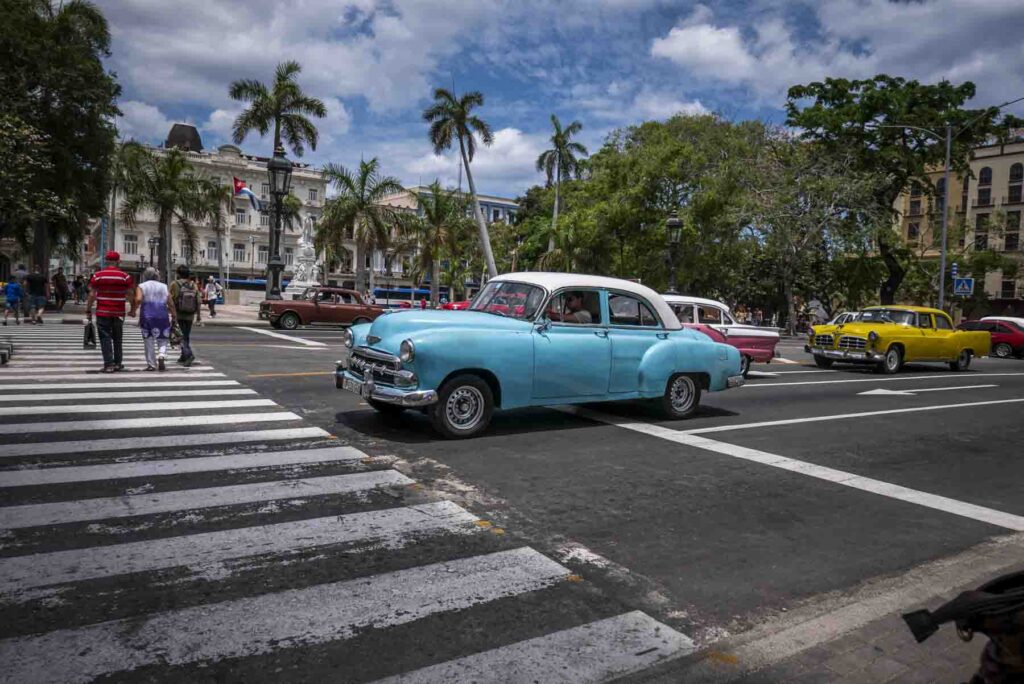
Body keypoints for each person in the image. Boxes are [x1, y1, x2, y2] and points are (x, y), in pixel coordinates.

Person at [86, 251, 136, 372]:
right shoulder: (125, 276)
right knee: (118, 338)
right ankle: (118, 363)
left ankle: (108, 364)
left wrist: (88, 309)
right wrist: (133, 309)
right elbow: (130, 294)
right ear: (118, 261)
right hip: (118, 313)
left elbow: (92, 294)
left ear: (106, 261)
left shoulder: (98, 276)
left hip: (103, 311)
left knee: (105, 337)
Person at [135, 268, 175, 371]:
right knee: (163, 338)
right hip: (162, 315)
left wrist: (133, 310)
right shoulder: (164, 286)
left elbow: (138, 299)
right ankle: (161, 355)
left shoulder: (141, 286)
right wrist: (174, 315)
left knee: (148, 340)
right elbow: (170, 302)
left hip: (147, 315)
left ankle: (151, 365)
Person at [169, 264, 201, 366]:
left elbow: (170, 299)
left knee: (180, 337)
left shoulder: (174, 284)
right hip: (190, 315)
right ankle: (183, 356)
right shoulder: (193, 284)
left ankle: (189, 354)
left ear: (178, 274)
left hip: (179, 314)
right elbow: (198, 301)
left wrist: (171, 312)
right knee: (186, 336)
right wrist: (198, 315)